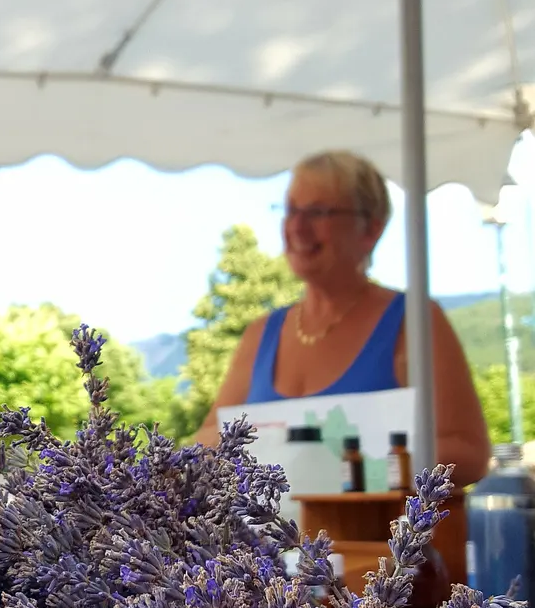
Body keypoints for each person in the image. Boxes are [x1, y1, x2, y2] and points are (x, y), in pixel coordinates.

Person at [196, 149, 491, 488]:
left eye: (318, 212)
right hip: (266, 541)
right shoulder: (260, 334)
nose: (297, 227)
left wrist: (341, 467)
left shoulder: (415, 322)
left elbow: (469, 453)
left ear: (371, 229)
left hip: (382, 540)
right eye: (291, 210)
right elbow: (205, 438)